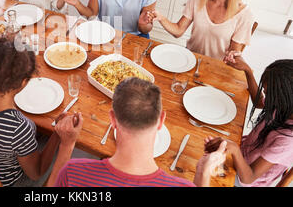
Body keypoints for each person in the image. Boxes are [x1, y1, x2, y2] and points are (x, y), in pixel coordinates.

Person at [49, 77, 226, 187]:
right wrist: (203, 173)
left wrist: (67, 144)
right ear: (161, 121)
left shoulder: (73, 172)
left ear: (112, 120)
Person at [0, 37, 83, 186]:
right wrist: (56, 133)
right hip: (11, 182)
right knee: (55, 142)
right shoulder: (19, 128)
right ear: (23, 82)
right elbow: (36, 173)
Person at [220, 54, 293, 187]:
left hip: (242, 178)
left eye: (267, 92)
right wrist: (247, 70)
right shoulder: (285, 105)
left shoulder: (288, 141)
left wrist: (235, 150)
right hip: (242, 150)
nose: (264, 95)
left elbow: (249, 177)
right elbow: (259, 102)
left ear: (283, 97)